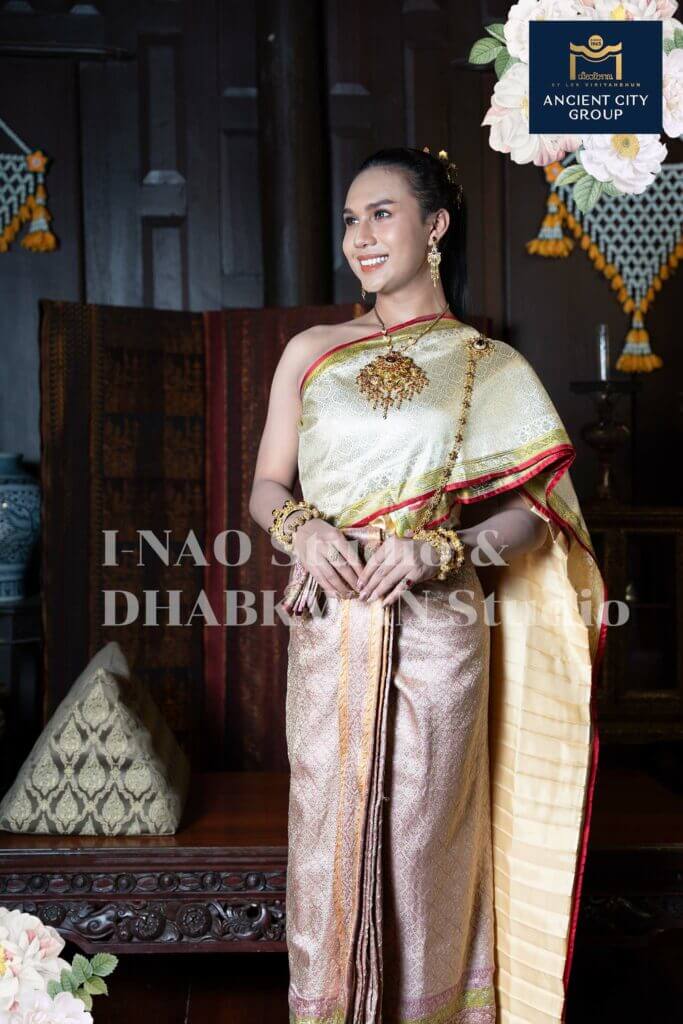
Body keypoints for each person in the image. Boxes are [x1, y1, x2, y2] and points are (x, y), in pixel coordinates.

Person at [248, 146, 605, 1024]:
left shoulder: (487, 364)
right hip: (330, 620)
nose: (360, 237)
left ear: (434, 225)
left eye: (381, 214)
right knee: (326, 835)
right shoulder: (311, 351)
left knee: (423, 840)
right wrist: (302, 530)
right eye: (349, 220)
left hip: (439, 623)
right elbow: (264, 487)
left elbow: (534, 516)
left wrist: (442, 551)